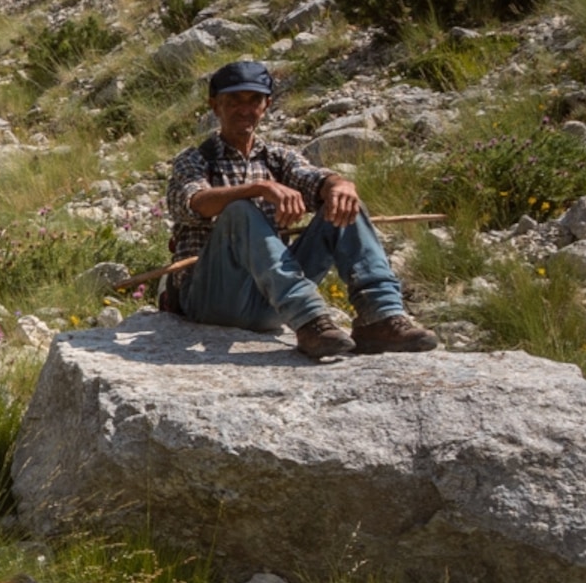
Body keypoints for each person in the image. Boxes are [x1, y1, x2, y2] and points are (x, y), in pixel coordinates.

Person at [162, 58, 434, 359]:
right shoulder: (196, 159)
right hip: (213, 300)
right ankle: (310, 320)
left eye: (254, 100)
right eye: (233, 100)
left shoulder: (278, 157)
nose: (244, 109)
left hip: (273, 301)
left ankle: (379, 318)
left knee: (342, 204)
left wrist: (338, 184)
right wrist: (259, 189)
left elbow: (312, 178)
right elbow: (194, 203)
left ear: (266, 105)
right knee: (239, 211)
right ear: (215, 106)